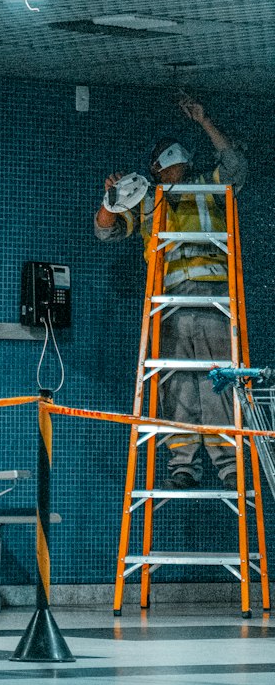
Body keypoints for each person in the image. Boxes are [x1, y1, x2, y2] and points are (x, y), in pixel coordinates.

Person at [94, 96, 247, 490]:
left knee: (218, 380)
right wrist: (111, 198)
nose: (171, 161)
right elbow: (105, 229)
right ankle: (183, 463)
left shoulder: (207, 186)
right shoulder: (146, 199)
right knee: (175, 382)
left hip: (215, 301)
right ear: (153, 169)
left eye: (176, 155)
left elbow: (235, 167)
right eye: (163, 159)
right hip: (170, 303)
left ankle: (227, 461)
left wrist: (205, 121)